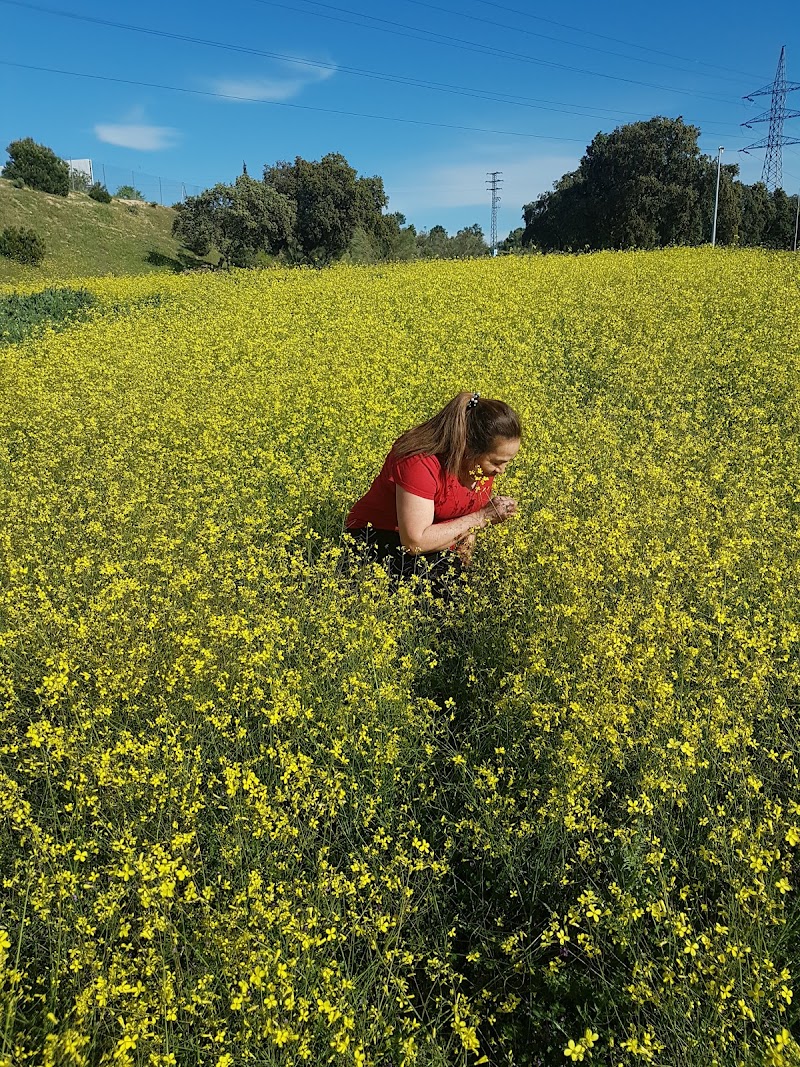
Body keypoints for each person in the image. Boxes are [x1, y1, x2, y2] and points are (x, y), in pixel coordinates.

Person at [343, 391, 521, 596]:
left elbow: (468, 509)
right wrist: (483, 517)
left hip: (434, 542)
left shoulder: (478, 465)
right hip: (376, 539)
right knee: (441, 592)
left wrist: (467, 546)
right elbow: (414, 542)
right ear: (468, 448)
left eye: (508, 461)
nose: (502, 471)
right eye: (497, 462)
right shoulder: (420, 462)